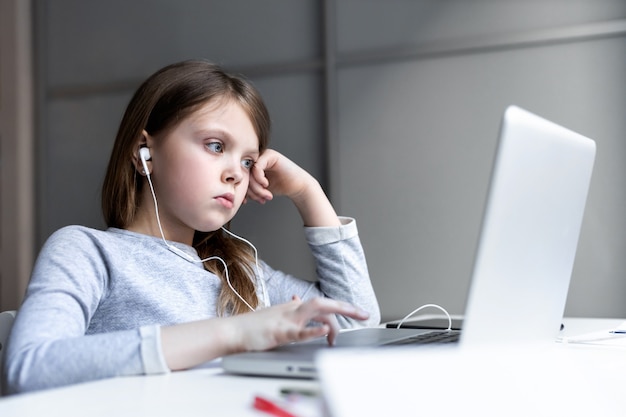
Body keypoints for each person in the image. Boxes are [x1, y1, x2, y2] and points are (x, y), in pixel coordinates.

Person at [2, 59, 380, 395]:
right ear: (143, 153)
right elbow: (30, 366)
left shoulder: (240, 270)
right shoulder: (88, 251)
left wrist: (307, 192)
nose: (236, 172)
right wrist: (234, 334)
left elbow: (353, 320)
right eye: (216, 146)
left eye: (248, 161)